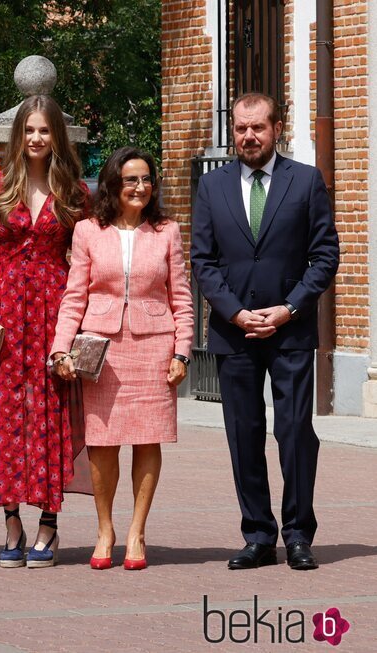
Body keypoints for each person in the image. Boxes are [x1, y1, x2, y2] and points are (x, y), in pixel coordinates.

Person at [191, 92, 339, 571]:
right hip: (234, 335)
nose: (248, 137)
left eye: (257, 127)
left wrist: (290, 308)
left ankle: (298, 535)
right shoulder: (212, 188)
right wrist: (234, 312)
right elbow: (203, 261)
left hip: (290, 332)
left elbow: (325, 255)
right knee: (244, 434)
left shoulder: (306, 181)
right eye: (240, 129)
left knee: (295, 433)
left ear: (277, 128)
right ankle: (258, 535)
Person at [0, 95, 89, 568]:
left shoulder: (74, 192)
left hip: (54, 314)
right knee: (4, 414)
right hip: (1, 314)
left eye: (45, 130)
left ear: (57, 135)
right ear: (18, 135)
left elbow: (85, 259)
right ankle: (12, 520)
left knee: (50, 413)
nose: (36, 138)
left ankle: (49, 523)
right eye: (29, 130)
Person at [50, 147, 194, 571]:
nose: (140, 187)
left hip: (154, 347)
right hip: (102, 351)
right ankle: (105, 529)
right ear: (113, 183)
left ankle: (137, 530)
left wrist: (182, 351)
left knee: (148, 439)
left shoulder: (166, 230)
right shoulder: (88, 231)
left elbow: (182, 298)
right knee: (102, 444)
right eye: (131, 179)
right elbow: (74, 295)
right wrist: (60, 348)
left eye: (146, 179)